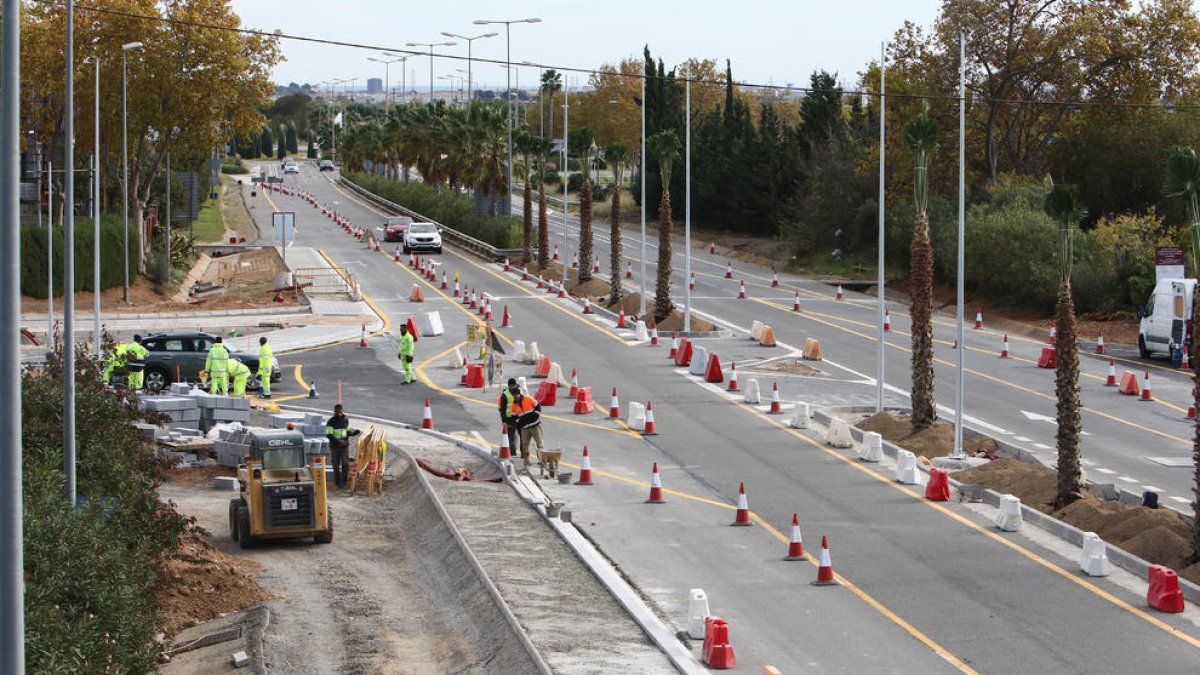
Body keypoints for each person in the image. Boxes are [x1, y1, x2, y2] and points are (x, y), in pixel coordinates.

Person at [325, 404, 360, 489]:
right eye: (338, 411)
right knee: (336, 466)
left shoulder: (345, 420)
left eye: (340, 411)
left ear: (342, 411)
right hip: (335, 447)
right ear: (335, 411)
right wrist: (338, 442)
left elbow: (347, 431)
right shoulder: (330, 422)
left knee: (345, 464)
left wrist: (354, 433)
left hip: (344, 447)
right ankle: (337, 483)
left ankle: (344, 482)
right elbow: (329, 435)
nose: (339, 413)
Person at [511, 387, 544, 465]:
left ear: (519, 394)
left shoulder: (528, 399)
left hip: (535, 426)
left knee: (539, 444)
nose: (515, 396)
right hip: (524, 429)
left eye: (516, 395)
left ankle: (541, 460)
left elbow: (538, 407)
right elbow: (514, 418)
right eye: (514, 395)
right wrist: (519, 425)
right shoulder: (513, 405)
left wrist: (535, 416)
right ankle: (526, 461)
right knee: (525, 445)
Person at [498, 378, 520, 452]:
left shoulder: (519, 392)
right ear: (509, 386)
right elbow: (502, 409)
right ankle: (512, 452)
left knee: (515, 436)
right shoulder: (505, 395)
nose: (512, 388)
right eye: (511, 386)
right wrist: (503, 420)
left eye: (514, 386)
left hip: (518, 418)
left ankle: (513, 450)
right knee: (511, 437)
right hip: (509, 419)